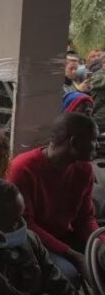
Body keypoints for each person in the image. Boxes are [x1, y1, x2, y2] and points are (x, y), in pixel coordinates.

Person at [7, 113, 101, 285]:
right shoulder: (22, 168)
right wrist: (74, 256)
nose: (98, 145)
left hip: (63, 238)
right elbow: (26, 225)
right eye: (94, 139)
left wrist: (100, 243)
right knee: (68, 276)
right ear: (73, 142)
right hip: (32, 243)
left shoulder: (84, 170)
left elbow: (84, 217)